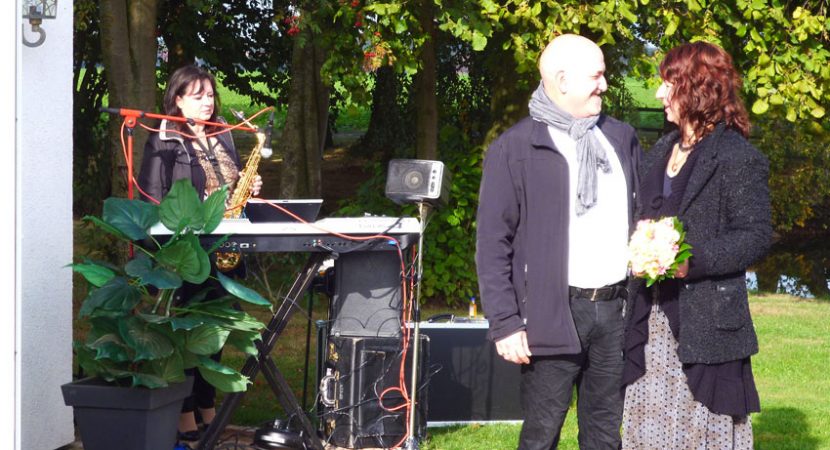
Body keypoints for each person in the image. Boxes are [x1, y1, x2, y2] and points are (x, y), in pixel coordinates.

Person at [476, 34, 642, 449]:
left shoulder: (621, 138)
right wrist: (506, 323)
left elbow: (641, 213)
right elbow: (493, 242)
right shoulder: (515, 148)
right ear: (562, 80)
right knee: (541, 433)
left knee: (605, 433)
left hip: (615, 310)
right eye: (597, 75)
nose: (604, 85)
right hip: (551, 313)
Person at [621, 41, 772, 449]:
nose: (658, 95)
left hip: (706, 319)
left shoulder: (736, 156)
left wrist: (693, 261)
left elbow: (756, 235)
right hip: (649, 318)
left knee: (699, 429)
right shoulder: (660, 150)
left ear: (695, 88)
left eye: (666, 84)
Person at [138, 64, 262, 442]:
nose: (208, 102)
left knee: (215, 330)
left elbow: (232, 180)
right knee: (187, 331)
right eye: (198, 96)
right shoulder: (164, 138)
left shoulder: (222, 132)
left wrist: (248, 184)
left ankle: (208, 407)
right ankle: (184, 411)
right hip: (185, 248)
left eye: (210, 94)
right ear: (177, 99)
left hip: (224, 244)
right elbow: (153, 194)